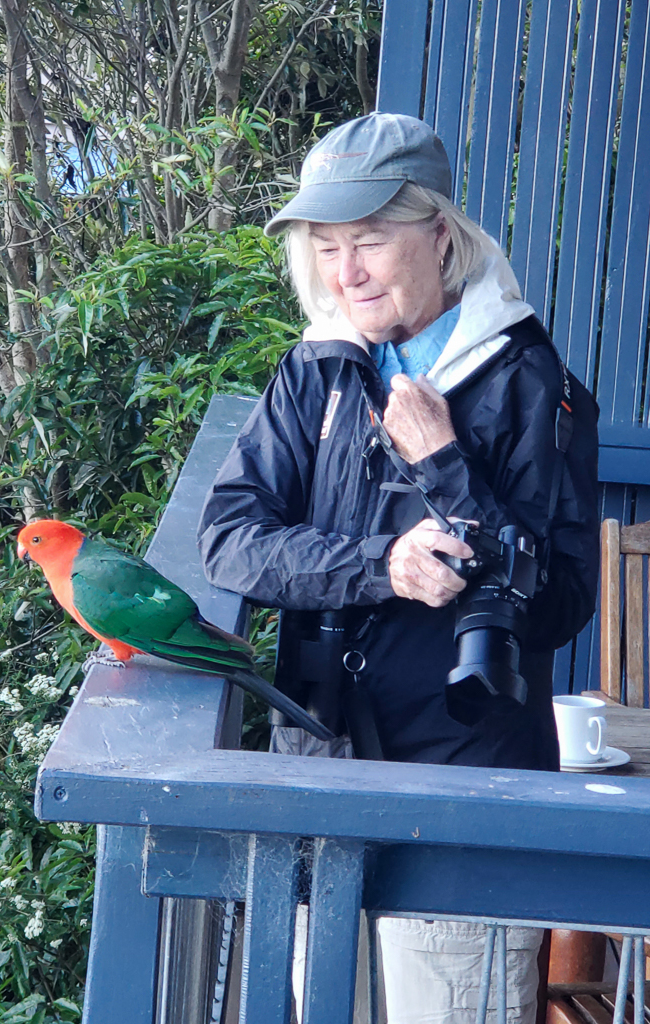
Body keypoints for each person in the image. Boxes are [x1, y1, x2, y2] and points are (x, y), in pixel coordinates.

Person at [197, 113, 599, 1023]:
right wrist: (382, 565)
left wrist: (446, 467)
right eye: (328, 247)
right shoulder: (322, 368)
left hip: (457, 792)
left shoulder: (532, 383)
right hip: (322, 777)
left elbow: (563, 601)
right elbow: (228, 536)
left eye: (371, 240)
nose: (347, 273)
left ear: (441, 235)